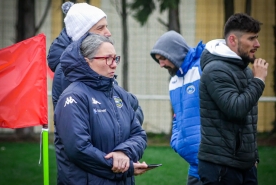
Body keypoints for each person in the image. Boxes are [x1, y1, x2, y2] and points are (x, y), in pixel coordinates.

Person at [54, 33, 148, 184]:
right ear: (87, 61)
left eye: (115, 58)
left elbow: (139, 134)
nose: (114, 64)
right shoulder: (74, 97)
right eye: (107, 58)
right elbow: (78, 149)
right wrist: (123, 167)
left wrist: (123, 152)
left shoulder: (119, 93)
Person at [198, 13, 268, 185]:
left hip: (246, 165)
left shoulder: (242, 68)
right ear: (232, 40)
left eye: (257, 38)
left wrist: (253, 157)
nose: (257, 44)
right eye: (251, 38)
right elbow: (236, 109)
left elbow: (247, 122)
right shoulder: (215, 69)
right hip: (221, 167)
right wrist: (258, 80)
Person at [47, 1, 144, 124]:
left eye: (106, 26)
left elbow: (131, 106)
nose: (108, 33)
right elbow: (86, 127)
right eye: (100, 28)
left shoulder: (94, 63)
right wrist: (128, 128)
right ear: (81, 34)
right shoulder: (69, 70)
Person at [150, 30, 205, 185]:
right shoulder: (174, 81)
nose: (161, 64)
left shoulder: (203, 68)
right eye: (158, 60)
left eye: (163, 59)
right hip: (195, 168)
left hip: (214, 164)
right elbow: (177, 117)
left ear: (176, 53)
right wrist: (176, 141)